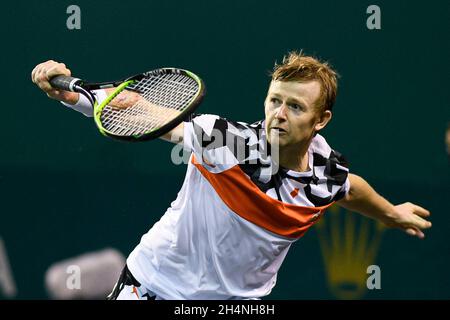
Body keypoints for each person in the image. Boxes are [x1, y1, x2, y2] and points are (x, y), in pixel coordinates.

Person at [31, 52, 432, 300]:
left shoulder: (325, 173)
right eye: (275, 100)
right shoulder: (225, 142)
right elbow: (140, 110)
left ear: (321, 120)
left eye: (295, 106)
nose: (279, 113)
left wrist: (390, 213)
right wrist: (74, 97)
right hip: (154, 287)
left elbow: (349, 188)